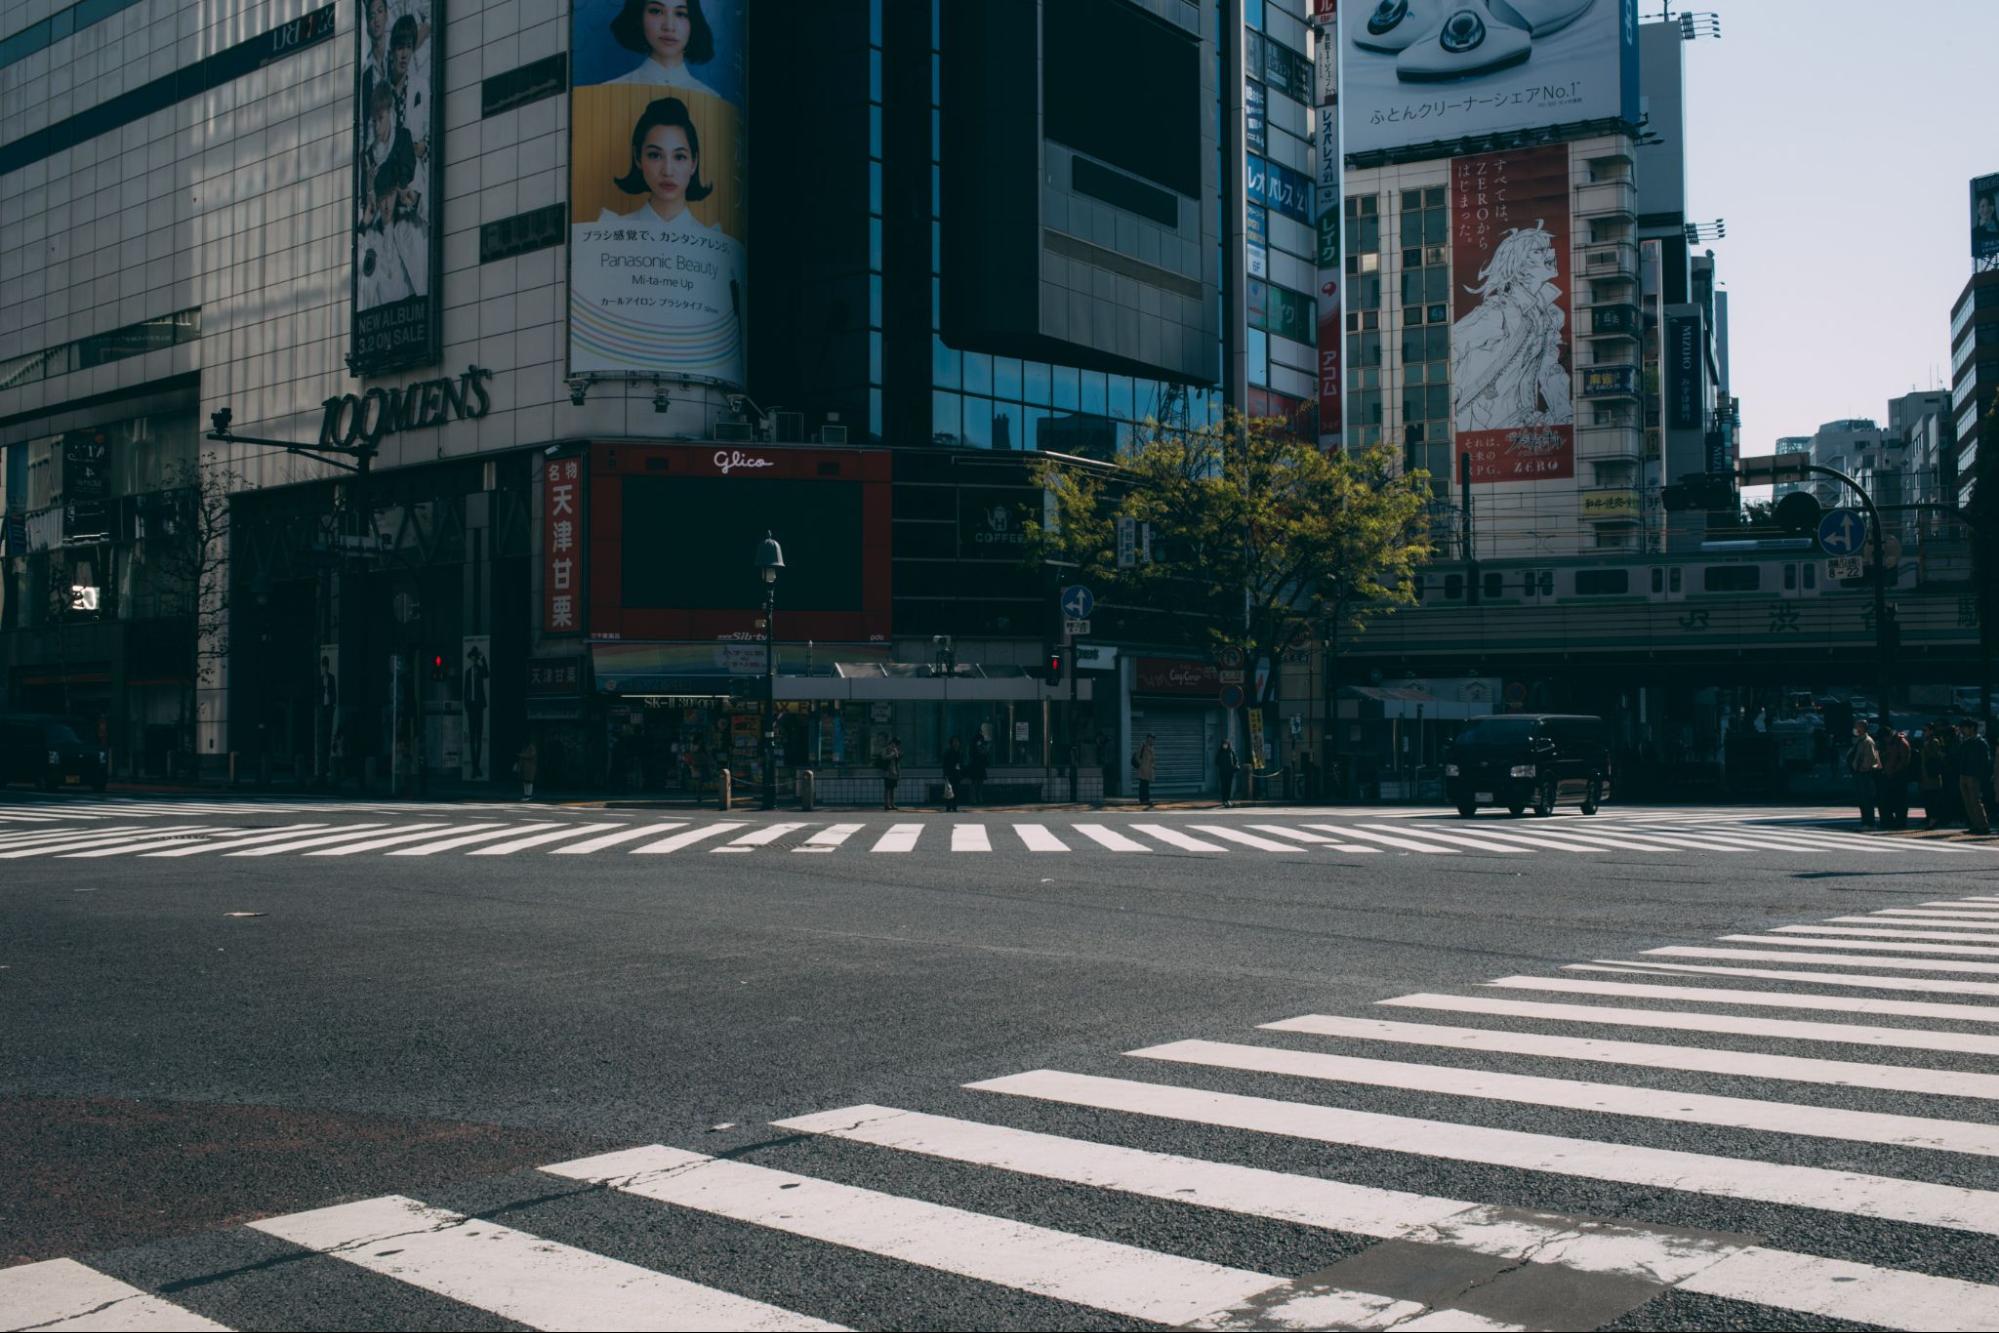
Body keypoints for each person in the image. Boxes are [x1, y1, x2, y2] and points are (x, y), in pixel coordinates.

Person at [607, 0, 721, 95]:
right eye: (656, 11)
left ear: (693, 22)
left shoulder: (712, 100)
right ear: (639, 17)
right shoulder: (609, 93)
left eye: (680, 14)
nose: (669, 26)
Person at [1956, 720, 1992, 836]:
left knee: (1975, 801)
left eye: (1964, 728)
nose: (1962, 730)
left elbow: (1985, 761)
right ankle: (1975, 824)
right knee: (1968, 801)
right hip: (1964, 774)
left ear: (1972, 728)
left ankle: (1982, 825)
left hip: (1973, 775)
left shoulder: (1980, 742)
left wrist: (1980, 774)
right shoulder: (1966, 742)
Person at [1877, 724, 1912, 830]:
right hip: (1889, 774)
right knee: (1888, 800)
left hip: (1898, 776)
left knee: (1899, 801)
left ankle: (1900, 822)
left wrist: (1893, 771)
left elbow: (1904, 761)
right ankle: (1889, 821)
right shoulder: (1892, 742)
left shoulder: (1900, 742)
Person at [1921, 721, 1955, 829]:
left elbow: (1936, 757)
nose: (1924, 733)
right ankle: (1930, 818)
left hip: (1932, 774)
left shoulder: (1934, 741)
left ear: (1931, 731)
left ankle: (1934, 819)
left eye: (1925, 730)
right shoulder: (1927, 741)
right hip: (1926, 774)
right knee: (1928, 798)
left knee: (1933, 798)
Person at [1847, 719, 1880, 829]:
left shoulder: (1867, 741)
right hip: (1859, 773)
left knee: (1866, 799)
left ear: (1862, 728)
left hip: (1864, 774)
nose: (1855, 729)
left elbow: (1870, 758)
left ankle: (1869, 823)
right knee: (1862, 799)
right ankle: (1865, 822)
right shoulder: (1859, 740)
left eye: (1857, 726)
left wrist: (1862, 769)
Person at [967, 729, 991, 805]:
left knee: (975, 782)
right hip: (979, 764)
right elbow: (982, 751)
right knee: (978, 782)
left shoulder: (974, 741)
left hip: (975, 764)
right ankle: (977, 798)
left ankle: (974, 798)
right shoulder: (979, 741)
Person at [941, 736, 965, 813]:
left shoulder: (960, 752)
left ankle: (954, 806)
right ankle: (948, 806)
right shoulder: (948, 752)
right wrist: (945, 774)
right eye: (954, 741)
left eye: (957, 741)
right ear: (951, 743)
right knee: (948, 790)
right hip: (949, 773)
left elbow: (961, 763)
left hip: (957, 773)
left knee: (956, 790)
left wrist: (961, 771)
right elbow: (945, 764)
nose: (956, 743)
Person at [1133, 733, 1157, 808]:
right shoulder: (1142, 746)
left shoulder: (1152, 747)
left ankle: (1146, 799)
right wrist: (1141, 765)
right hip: (1143, 769)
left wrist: (1153, 766)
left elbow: (1152, 759)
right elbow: (1137, 756)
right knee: (1143, 785)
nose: (1152, 740)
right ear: (1147, 738)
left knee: (1146, 784)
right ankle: (1143, 800)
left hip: (1149, 769)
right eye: (1151, 738)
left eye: (1153, 739)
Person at [1215, 738, 1240, 808]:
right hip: (1222, 772)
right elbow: (1216, 761)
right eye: (1224, 744)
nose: (1225, 746)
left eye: (1226, 744)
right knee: (1223, 786)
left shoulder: (1231, 752)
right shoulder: (1219, 752)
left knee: (1229, 786)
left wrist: (1235, 766)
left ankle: (1228, 799)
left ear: (1228, 745)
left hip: (1230, 772)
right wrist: (1221, 765)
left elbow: (1236, 760)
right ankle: (1224, 800)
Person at [878, 737, 902, 810]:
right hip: (887, 772)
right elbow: (884, 757)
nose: (895, 746)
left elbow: (897, 762)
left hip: (894, 772)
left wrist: (899, 773)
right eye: (894, 744)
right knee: (887, 789)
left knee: (892, 789)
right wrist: (893, 754)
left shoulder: (896, 750)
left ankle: (892, 804)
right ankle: (886, 804)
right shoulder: (886, 749)